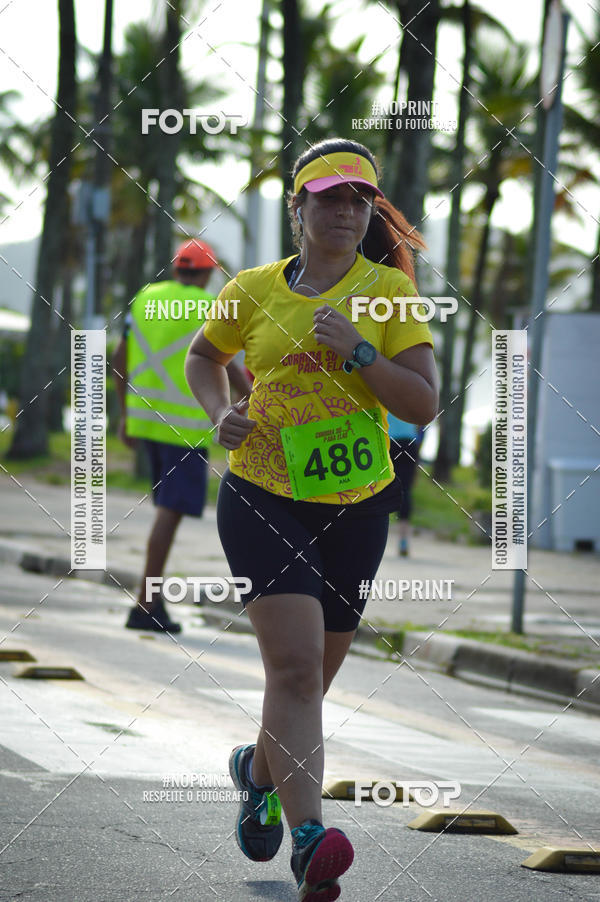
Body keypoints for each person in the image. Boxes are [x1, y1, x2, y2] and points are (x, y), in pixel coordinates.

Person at [185, 138, 438, 900]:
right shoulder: (254, 289)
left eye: (359, 198)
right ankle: (309, 841)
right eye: (328, 196)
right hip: (261, 493)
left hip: (358, 505)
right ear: (298, 209)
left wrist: (362, 352)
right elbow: (205, 356)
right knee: (292, 670)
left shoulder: (389, 294)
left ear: (370, 212)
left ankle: (257, 775)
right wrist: (219, 411)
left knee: (308, 686)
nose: (345, 209)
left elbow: (423, 404)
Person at [112, 238, 251, 633]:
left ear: (177, 269)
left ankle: (148, 601)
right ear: (207, 273)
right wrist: (254, 398)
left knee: (165, 512)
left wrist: (125, 415)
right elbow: (228, 366)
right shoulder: (210, 307)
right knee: (168, 515)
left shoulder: (145, 298)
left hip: (145, 422)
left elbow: (119, 359)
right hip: (183, 429)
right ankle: (146, 603)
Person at [388, 414, 424, 556]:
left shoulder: (384, 392)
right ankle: (403, 540)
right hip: (409, 443)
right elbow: (421, 427)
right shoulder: (413, 393)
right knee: (406, 491)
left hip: (389, 443)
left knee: (381, 490)